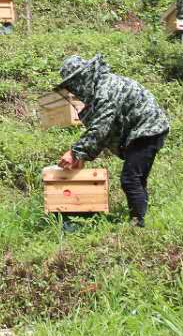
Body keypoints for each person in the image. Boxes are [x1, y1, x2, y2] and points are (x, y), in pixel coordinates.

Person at [52, 54, 171, 226]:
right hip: (142, 130)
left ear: (82, 78)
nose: (74, 91)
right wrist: (82, 157)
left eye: (73, 85)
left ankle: (138, 225)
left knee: (130, 179)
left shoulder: (105, 90)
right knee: (136, 179)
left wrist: (75, 153)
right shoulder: (102, 86)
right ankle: (142, 220)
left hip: (147, 129)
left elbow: (100, 129)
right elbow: (105, 130)